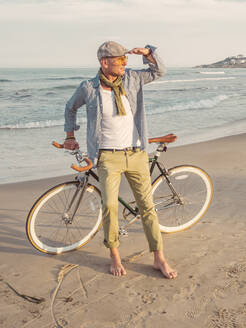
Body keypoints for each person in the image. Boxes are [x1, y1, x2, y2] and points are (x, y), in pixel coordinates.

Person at [64, 41, 177, 279]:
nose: (125, 64)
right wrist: (70, 136)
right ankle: (114, 256)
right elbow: (70, 107)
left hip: (136, 154)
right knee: (110, 208)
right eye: (121, 61)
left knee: (148, 208)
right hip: (107, 157)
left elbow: (159, 71)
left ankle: (159, 257)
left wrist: (149, 52)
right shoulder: (89, 88)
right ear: (105, 62)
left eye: (126, 60)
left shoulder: (132, 79)